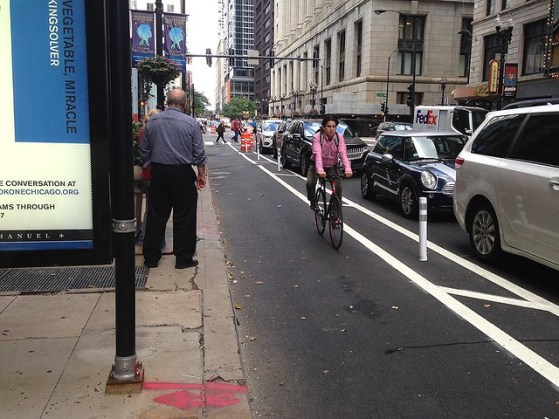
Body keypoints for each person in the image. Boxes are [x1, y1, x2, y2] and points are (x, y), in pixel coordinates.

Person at [140, 88, 207, 269]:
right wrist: (201, 174)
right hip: (182, 174)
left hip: (159, 173)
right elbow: (199, 153)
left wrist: (150, 164)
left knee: (156, 215)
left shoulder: (152, 122)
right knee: (184, 216)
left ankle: (151, 258)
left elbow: (144, 150)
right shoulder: (191, 123)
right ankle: (183, 258)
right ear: (184, 104)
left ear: (167, 102)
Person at [307, 115, 353, 211]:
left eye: (334, 126)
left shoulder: (339, 138)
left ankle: (335, 215)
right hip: (317, 165)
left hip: (333, 165)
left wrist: (348, 169)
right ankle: (313, 201)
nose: (331, 129)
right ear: (323, 127)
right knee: (310, 183)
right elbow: (317, 154)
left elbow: (343, 153)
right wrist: (320, 170)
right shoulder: (317, 137)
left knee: (338, 189)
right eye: (329, 126)